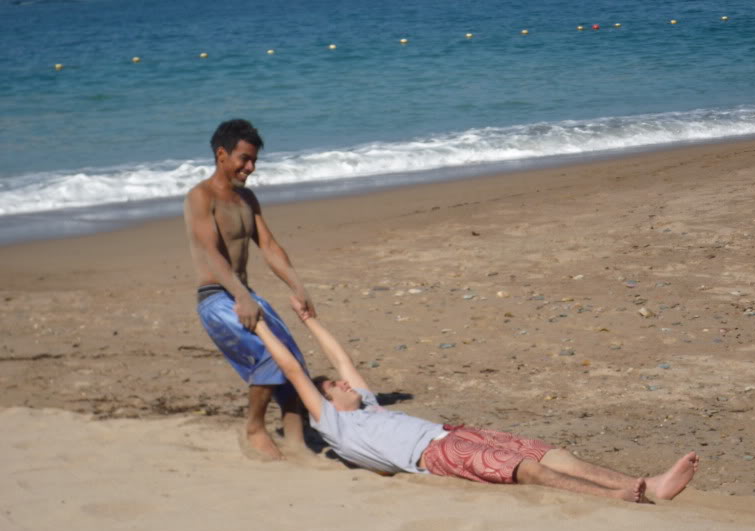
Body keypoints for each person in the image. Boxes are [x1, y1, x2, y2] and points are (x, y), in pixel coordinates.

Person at [252, 298, 700, 503]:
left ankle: (647, 482)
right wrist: (260, 329)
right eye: (334, 388)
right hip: (432, 454)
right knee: (528, 471)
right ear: (323, 404)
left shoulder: (367, 404)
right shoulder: (334, 424)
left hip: (451, 434)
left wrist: (310, 319)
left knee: (548, 453)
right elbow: (294, 371)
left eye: (340, 385)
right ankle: (617, 496)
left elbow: (341, 358)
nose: (345, 386)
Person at [184, 119, 315, 460]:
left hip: (245, 294)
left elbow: (268, 245)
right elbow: (211, 251)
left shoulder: (246, 198)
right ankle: (254, 427)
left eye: (254, 160)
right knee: (270, 357)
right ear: (222, 154)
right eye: (244, 159)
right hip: (217, 297)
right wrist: (241, 296)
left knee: (294, 360)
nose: (250, 167)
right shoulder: (201, 196)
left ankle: (297, 440)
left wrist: (298, 286)